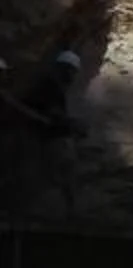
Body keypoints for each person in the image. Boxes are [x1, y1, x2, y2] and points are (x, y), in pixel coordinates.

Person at [3, 48, 85, 213]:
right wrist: (69, 125)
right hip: (42, 138)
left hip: (43, 136)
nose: (72, 76)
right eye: (71, 71)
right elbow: (50, 115)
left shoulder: (53, 87)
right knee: (55, 172)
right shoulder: (50, 88)